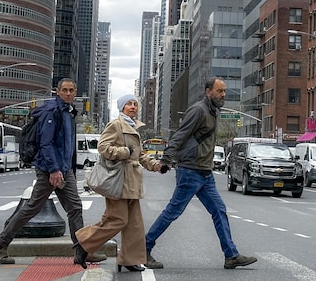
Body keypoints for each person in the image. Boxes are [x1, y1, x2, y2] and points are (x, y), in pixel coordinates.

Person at [0, 78, 106, 265]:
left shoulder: (68, 113)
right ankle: (0, 245)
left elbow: (69, 146)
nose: (68, 93)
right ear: (57, 92)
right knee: (31, 208)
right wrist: (53, 169)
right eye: (65, 90)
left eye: (71, 90)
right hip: (49, 170)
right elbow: (46, 143)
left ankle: (82, 252)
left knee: (74, 208)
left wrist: (71, 170)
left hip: (64, 170)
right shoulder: (52, 112)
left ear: (75, 92)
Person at [145, 77, 257, 270]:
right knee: (173, 212)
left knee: (219, 210)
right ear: (208, 92)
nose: (223, 95)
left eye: (224, 91)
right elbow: (180, 134)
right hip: (190, 171)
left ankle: (231, 255)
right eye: (219, 91)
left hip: (205, 172)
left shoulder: (213, 111)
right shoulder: (199, 110)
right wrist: (166, 159)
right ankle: (144, 248)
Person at [73, 94, 164, 272]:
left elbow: (140, 154)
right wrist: (124, 151)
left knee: (134, 224)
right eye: (128, 104)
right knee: (118, 220)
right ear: (122, 108)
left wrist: (156, 166)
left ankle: (129, 260)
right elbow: (103, 147)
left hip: (132, 182)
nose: (132, 107)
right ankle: (83, 243)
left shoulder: (133, 127)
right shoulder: (116, 125)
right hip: (119, 181)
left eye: (135, 104)